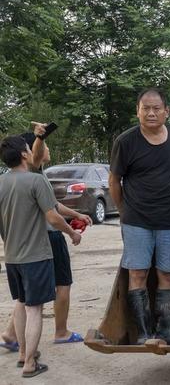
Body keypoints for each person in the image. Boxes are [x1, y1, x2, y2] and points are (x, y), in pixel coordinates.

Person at [109, 88, 170, 345]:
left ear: (166, 112)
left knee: (167, 274)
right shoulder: (125, 142)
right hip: (137, 220)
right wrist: (124, 212)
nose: (150, 112)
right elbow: (115, 181)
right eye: (145, 108)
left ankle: (166, 330)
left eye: (156, 108)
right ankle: (145, 332)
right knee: (137, 274)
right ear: (137, 111)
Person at [0, 136, 83, 377]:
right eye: (29, 148)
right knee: (35, 309)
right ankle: (29, 365)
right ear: (25, 155)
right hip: (36, 255)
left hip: (12, 257)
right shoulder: (36, 181)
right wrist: (72, 233)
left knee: (22, 303)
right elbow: (54, 216)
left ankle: (24, 354)